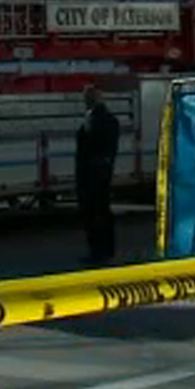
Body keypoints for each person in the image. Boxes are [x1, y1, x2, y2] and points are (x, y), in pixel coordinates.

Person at [75, 84, 120, 265]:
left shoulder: (97, 120)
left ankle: (98, 251)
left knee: (94, 213)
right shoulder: (107, 119)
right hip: (100, 173)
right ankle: (104, 250)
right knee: (101, 212)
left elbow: (93, 148)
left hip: (93, 174)